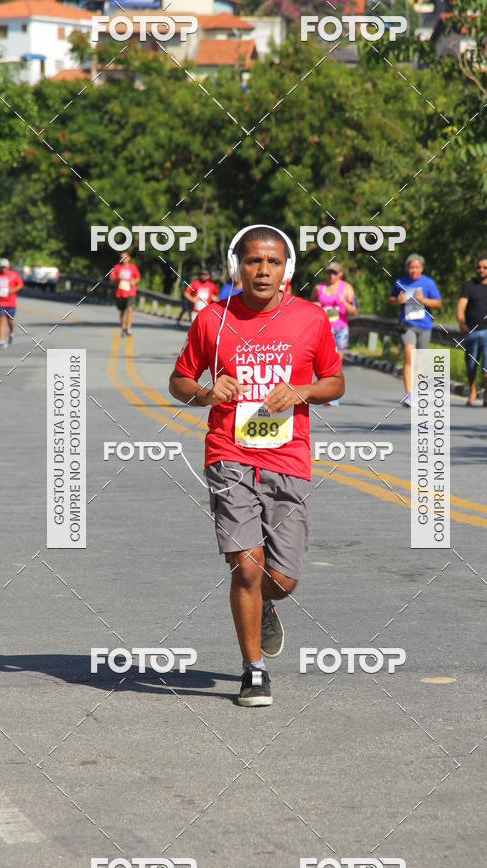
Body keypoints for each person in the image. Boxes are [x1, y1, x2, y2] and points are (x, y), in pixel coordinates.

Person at [169, 225, 345, 707]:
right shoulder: (213, 319)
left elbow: (335, 381)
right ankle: (254, 670)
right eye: (253, 261)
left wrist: (303, 391)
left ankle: (265, 603)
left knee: (281, 579)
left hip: (288, 457)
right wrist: (206, 392)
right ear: (237, 267)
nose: (263, 270)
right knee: (247, 567)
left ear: (286, 270)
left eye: (272, 262)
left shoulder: (310, 319)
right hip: (229, 453)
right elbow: (179, 381)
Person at [389, 253, 442, 406]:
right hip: (407, 325)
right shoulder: (400, 282)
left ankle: (416, 392)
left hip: (424, 325)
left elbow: (438, 303)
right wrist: (397, 300)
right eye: (411, 267)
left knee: (419, 361)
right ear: (407, 268)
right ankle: (409, 394)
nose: (414, 270)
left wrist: (423, 300)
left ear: (422, 268)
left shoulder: (429, 283)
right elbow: (391, 298)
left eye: (417, 267)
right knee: (409, 357)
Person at [456, 256, 487, 407]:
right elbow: (460, 308)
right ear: (476, 269)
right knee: (471, 364)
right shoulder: (469, 287)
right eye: (479, 267)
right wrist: (462, 324)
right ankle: (472, 390)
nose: (482, 270)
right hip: (472, 331)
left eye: (485, 267)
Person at [310, 262, 358, 406]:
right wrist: (317, 307)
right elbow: (309, 306)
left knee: (337, 361)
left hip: (340, 329)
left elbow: (354, 311)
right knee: (321, 361)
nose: (331, 275)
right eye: (329, 272)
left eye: (334, 273)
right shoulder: (319, 288)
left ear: (340, 274)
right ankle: (323, 391)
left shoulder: (347, 288)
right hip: (323, 329)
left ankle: (333, 396)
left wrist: (344, 302)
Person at [0, 258, 24, 348]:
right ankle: (2, 341)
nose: (4, 269)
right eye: (2, 267)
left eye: (5, 267)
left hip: (11, 303)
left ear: (8, 267)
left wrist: (13, 290)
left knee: (10, 321)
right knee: (2, 320)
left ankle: (11, 332)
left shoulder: (14, 275)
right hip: (0, 302)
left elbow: (20, 284)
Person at [109, 252, 140, 336]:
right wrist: (117, 278)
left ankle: (129, 328)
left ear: (129, 258)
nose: (124, 259)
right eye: (122, 257)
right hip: (120, 293)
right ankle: (123, 327)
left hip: (131, 292)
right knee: (122, 311)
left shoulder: (133, 267)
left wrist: (134, 281)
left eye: (125, 257)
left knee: (130, 310)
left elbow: (137, 278)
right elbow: (111, 279)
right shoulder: (117, 267)